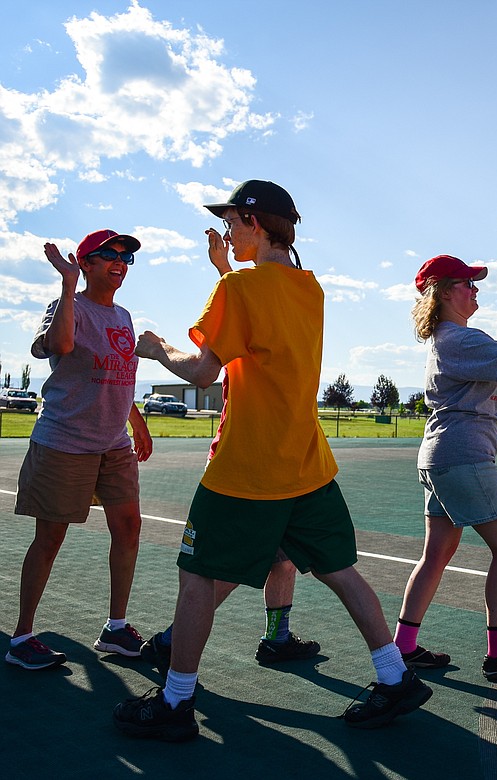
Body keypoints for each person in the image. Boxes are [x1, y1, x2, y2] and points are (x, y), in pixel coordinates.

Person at [114, 180, 429, 741]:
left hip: (247, 468)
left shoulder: (241, 286)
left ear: (255, 224)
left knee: (196, 578)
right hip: (306, 463)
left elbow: (204, 371)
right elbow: (261, 323)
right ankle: (393, 674)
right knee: (342, 573)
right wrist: (225, 272)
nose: (228, 231)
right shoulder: (309, 288)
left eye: (233, 222)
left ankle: (176, 699)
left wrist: (157, 346)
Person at [139, 231, 319, 674]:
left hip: (272, 452)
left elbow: (245, 308)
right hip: (243, 452)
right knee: (238, 562)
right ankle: (172, 643)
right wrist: (161, 348)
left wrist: (224, 268)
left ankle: (276, 638)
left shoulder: (261, 294)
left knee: (282, 557)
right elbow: (214, 354)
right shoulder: (283, 294)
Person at [395, 254, 497, 681]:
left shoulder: (446, 340)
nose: (475, 290)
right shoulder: (460, 339)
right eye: (468, 284)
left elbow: (463, 405)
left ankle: (403, 649)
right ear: (445, 292)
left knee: (437, 554)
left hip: (441, 456)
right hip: (463, 458)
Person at [6, 230, 152, 670]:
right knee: (50, 538)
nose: (120, 262)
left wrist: (137, 422)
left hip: (114, 445)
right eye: (109, 255)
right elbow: (61, 346)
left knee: (128, 528)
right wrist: (68, 286)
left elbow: (121, 375)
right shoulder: (66, 307)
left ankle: (115, 628)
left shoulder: (124, 316)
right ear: (84, 262)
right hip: (66, 442)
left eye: (126, 257)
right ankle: (22, 638)